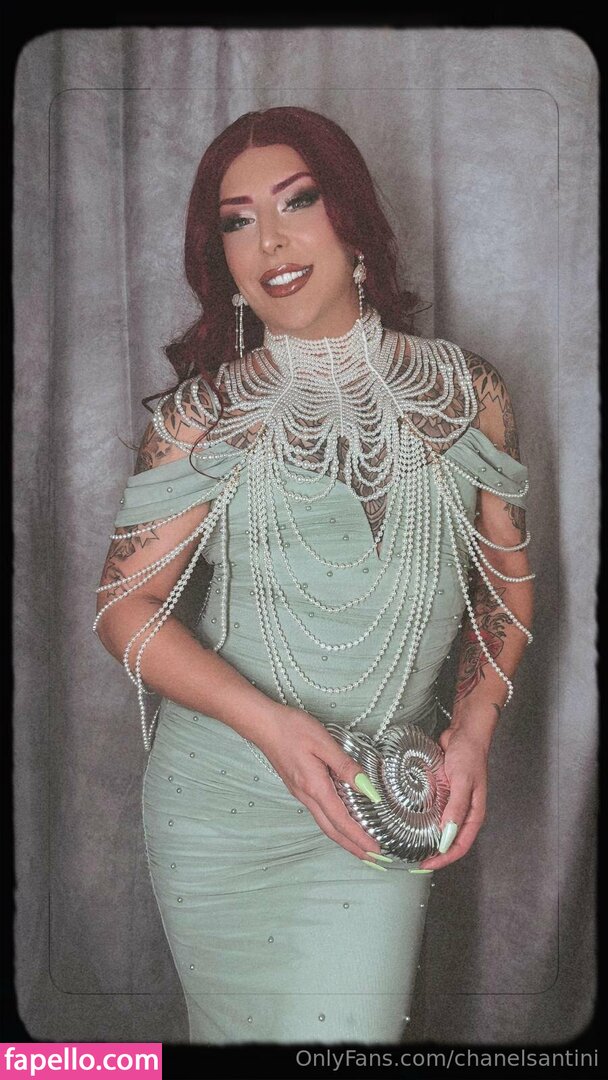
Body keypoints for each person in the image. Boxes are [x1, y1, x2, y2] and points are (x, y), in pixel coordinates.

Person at [94, 106, 534, 1046]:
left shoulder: (470, 392)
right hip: (220, 809)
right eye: (238, 220)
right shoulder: (201, 417)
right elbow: (124, 609)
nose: (271, 240)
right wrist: (273, 729)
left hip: (381, 802)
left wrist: (473, 729)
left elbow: (505, 587)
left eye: (298, 201)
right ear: (222, 258)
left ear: (354, 222)